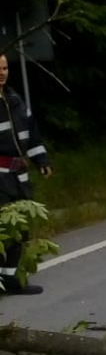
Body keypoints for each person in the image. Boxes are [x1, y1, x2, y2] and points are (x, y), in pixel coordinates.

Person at [0, 53, 53, 295]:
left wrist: (41, 159)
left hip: (19, 177)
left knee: (19, 228)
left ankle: (11, 279)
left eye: (4, 68)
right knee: (3, 229)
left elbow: (32, 133)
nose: (2, 72)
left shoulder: (15, 99)